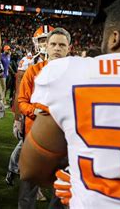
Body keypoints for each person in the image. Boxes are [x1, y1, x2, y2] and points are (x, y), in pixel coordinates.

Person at [20, 0, 120, 208]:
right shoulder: (40, 70)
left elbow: (30, 169)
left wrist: (79, 183)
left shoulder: (68, 73)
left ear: (114, 38)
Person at [18, 27, 72, 209]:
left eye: (61, 45)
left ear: (69, 48)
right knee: (28, 185)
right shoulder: (33, 71)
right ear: (46, 47)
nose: (57, 48)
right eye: (53, 44)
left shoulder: (75, 74)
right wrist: (37, 113)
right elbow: (22, 102)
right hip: (35, 135)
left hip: (65, 139)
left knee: (62, 187)